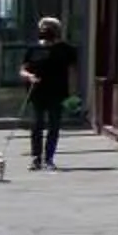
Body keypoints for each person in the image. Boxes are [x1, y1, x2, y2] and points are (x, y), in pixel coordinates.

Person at [19, 16, 77, 171]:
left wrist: (72, 94)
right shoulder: (33, 49)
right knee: (37, 125)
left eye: (50, 29)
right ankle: (36, 158)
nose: (46, 31)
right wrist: (30, 77)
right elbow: (23, 70)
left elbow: (72, 73)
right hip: (37, 92)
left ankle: (49, 158)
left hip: (58, 93)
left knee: (54, 126)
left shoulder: (66, 49)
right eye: (43, 28)